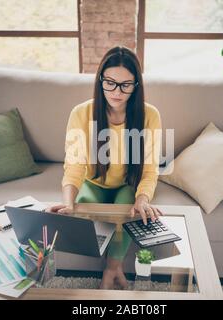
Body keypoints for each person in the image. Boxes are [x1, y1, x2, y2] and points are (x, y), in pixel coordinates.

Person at [47, 46, 163, 290]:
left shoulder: (150, 115)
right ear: (100, 81)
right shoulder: (82, 112)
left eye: (125, 84)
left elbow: (150, 169)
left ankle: (112, 270)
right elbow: (75, 164)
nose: (117, 92)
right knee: (81, 213)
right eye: (110, 82)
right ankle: (112, 271)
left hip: (126, 184)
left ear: (136, 86)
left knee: (130, 212)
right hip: (93, 183)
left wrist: (142, 199)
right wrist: (69, 202)